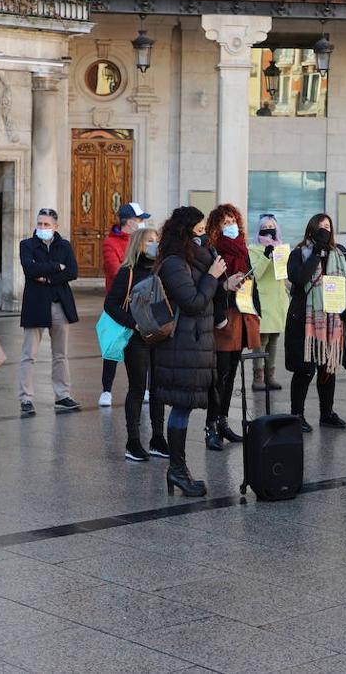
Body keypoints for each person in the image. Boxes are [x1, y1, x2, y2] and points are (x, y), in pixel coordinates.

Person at [152, 207, 224, 496]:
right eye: (200, 227)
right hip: (180, 346)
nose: (204, 231)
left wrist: (223, 281)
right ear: (187, 229)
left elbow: (207, 296)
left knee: (184, 406)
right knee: (181, 406)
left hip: (195, 343)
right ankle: (177, 470)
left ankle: (178, 469)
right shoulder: (173, 263)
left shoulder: (196, 257)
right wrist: (212, 275)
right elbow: (193, 302)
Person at [103, 225, 168, 461]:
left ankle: (158, 439)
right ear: (138, 244)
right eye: (149, 240)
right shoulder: (128, 272)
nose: (154, 243)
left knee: (159, 388)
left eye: (156, 239)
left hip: (159, 337)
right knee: (138, 388)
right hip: (137, 339)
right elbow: (110, 304)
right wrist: (134, 324)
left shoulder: (161, 269)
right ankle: (133, 442)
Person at [285, 213, 346, 432]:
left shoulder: (339, 255)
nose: (325, 230)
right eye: (320, 226)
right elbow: (299, 279)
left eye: (328, 226)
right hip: (306, 321)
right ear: (312, 229)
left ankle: (327, 413)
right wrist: (316, 253)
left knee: (328, 368)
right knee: (304, 370)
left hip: (333, 320)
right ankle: (297, 414)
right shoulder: (298, 253)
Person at [205, 203, 259, 451]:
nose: (230, 226)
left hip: (242, 315)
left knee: (232, 374)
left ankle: (224, 421)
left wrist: (255, 311)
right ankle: (211, 426)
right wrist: (226, 287)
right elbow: (207, 285)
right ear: (216, 226)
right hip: (223, 316)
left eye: (232, 221)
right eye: (225, 222)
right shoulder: (212, 250)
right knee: (220, 375)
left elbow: (252, 282)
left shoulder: (243, 250)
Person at [18, 208, 80, 416]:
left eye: (46, 224)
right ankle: (26, 398)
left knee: (60, 354)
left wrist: (48, 277)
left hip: (59, 303)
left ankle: (62, 395)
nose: (42, 228)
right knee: (29, 354)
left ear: (56, 226)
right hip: (36, 303)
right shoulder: (26, 245)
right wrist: (56, 266)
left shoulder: (64, 245)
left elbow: (72, 271)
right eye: (39, 224)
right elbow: (29, 269)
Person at [99, 202, 150, 408]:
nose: (142, 223)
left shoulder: (141, 241)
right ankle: (106, 390)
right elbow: (115, 269)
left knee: (144, 347)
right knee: (113, 346)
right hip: (121, 302)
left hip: (141, 301)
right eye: (139, 219)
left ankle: (145, 388)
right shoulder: (111, 242)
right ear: (129, 221)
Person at [249, 215, 287, 393]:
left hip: (278, 299)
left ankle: (270, 375)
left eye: (272, 226)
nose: (269, 229)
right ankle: (258, 376)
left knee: (274, 339)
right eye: (265, 226)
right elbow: (255, 274)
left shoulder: (282, 248)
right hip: (263, 299)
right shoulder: (253, 249)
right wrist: (266, 256)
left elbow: (285, 274)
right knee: (261, 339)